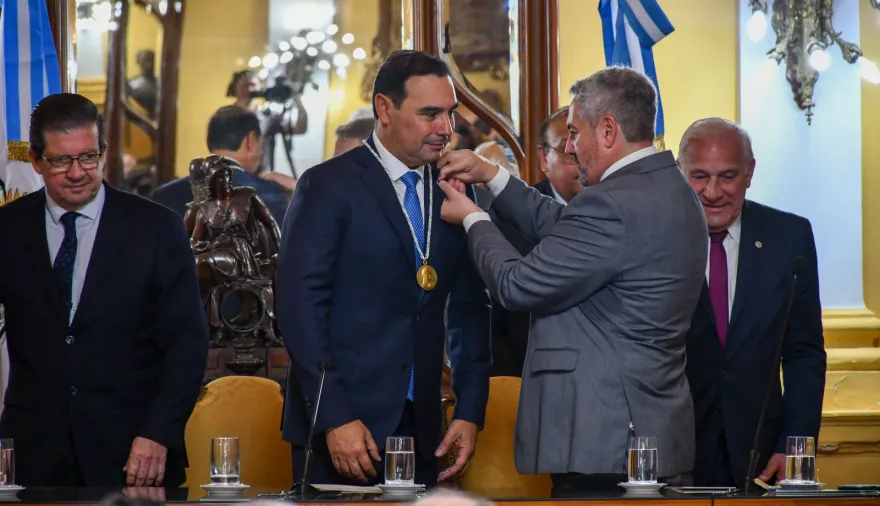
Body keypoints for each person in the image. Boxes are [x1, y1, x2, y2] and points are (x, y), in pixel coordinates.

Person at [436, 66, 708, 493]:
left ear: (607, 130)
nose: (568, 147)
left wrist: (473, 219)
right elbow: (564, 225)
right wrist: (491, 175)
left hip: (606, 441)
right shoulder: (668, 188)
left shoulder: (612, 204)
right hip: (646, 433)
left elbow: (516, 285)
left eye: (575, 133)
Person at [276, 49, 490, 488]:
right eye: (429, 114)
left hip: (423, 425)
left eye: (449, 113)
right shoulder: (328, 185)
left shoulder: (454, 190)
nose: (445, 129)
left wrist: (470, 410)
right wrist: (334, 416)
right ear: (384, 109)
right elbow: (300, 310)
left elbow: (469, 310)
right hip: (344, 423)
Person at [0, 93, 208, 487]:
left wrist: (158, 433)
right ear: (36, 160)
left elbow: (187, 343)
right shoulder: (8, 229)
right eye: (62, 161)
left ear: (103, 152)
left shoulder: (156, 229)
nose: (78, 172)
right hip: (33, 452)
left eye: (88, 157)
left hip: (133, 451)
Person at [677, 118, 826, 487]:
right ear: (680, 172)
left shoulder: (789, 238)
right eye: (700, 176)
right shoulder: (656, 237)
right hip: (675, 452)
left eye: (727, 177)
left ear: (749, 173)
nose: (713, 192)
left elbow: (804, 353)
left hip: (761, 456)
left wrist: (796, 445)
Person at [151, 106, 289, 224]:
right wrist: (297, 187)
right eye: (261, 144)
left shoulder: (165, 195)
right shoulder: (269, 194)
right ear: (250, 141)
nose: (262, 153)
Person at [534, 106, 583, 205]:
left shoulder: (614, 202)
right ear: (544, 158)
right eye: (571, 152)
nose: (585, 163)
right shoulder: (524, 209)